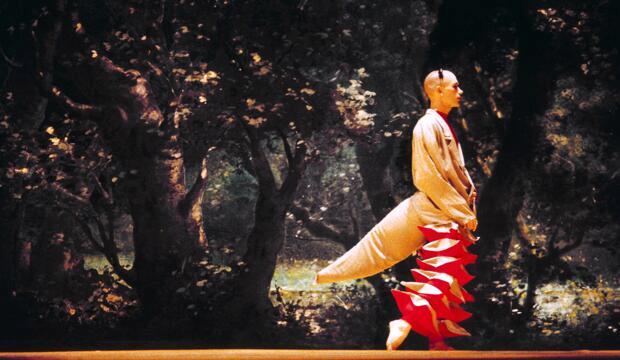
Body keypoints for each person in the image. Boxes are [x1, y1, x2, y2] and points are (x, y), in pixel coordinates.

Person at [314, 69, 478, 350]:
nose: (460, 91)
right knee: (445, 269)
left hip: (446, 207)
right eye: (455, 86)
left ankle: (436, 340)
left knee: (449, 273)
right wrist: (460, 211)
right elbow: (427, 177)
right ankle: (406, 321)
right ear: (437, 90)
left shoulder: (442, 124)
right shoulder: (427, 126)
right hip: (437, 207)